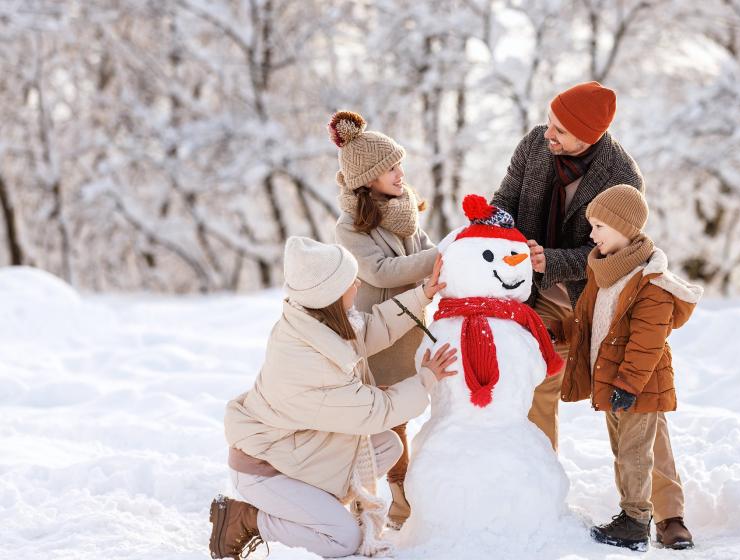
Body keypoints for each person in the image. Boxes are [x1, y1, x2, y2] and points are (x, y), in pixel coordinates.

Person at [490, 82, 693, 539]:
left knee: (639, 404)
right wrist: (493, 227)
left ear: (589, 134)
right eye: (551, 122)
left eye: (561, 129)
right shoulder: (534, 144)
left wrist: (554, 258)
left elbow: (618, 250)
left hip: (599, 296)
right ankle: (536, 494)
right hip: (538, 289)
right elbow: (505, 198)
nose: (549, 134)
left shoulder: (622, 177)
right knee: (534, 383)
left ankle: (668, 513)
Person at [208, 236, 457, 559]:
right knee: (343, 540)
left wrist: (422, 295)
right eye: (347, 281)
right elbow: (375, 412)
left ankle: (324, 509)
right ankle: (247, 518)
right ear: (328, 294)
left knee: (388, 445)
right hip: (265, 470)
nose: (356, 283)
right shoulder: (307, 363)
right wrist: (425, 379)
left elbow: (371, 330)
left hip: (300, 451)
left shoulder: (317, 324)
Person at [561, 185, 702, 550]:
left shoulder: (650, 283)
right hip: (611, 383)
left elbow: (647, 342)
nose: (591, 235)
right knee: (624, 453)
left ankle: (637, 521)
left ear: (624, 228)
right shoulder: (605, 272)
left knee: (636, 453)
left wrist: (628, 383)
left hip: (636, 385)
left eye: (599, 226)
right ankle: (632, 516)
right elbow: (589, 321)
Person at [330, 110, 438, 528]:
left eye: (399, 165)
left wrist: (444, 258)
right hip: (381, 334)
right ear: (368, 176)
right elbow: (383, 272)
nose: (400, 174)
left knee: (408, 415)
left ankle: (408, 499)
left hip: (413, 326)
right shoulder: (350, 227)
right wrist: (439, 258)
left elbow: (423, 252)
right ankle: (395, 504)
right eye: (390, 168)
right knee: (391, 421)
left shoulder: (403, 211)